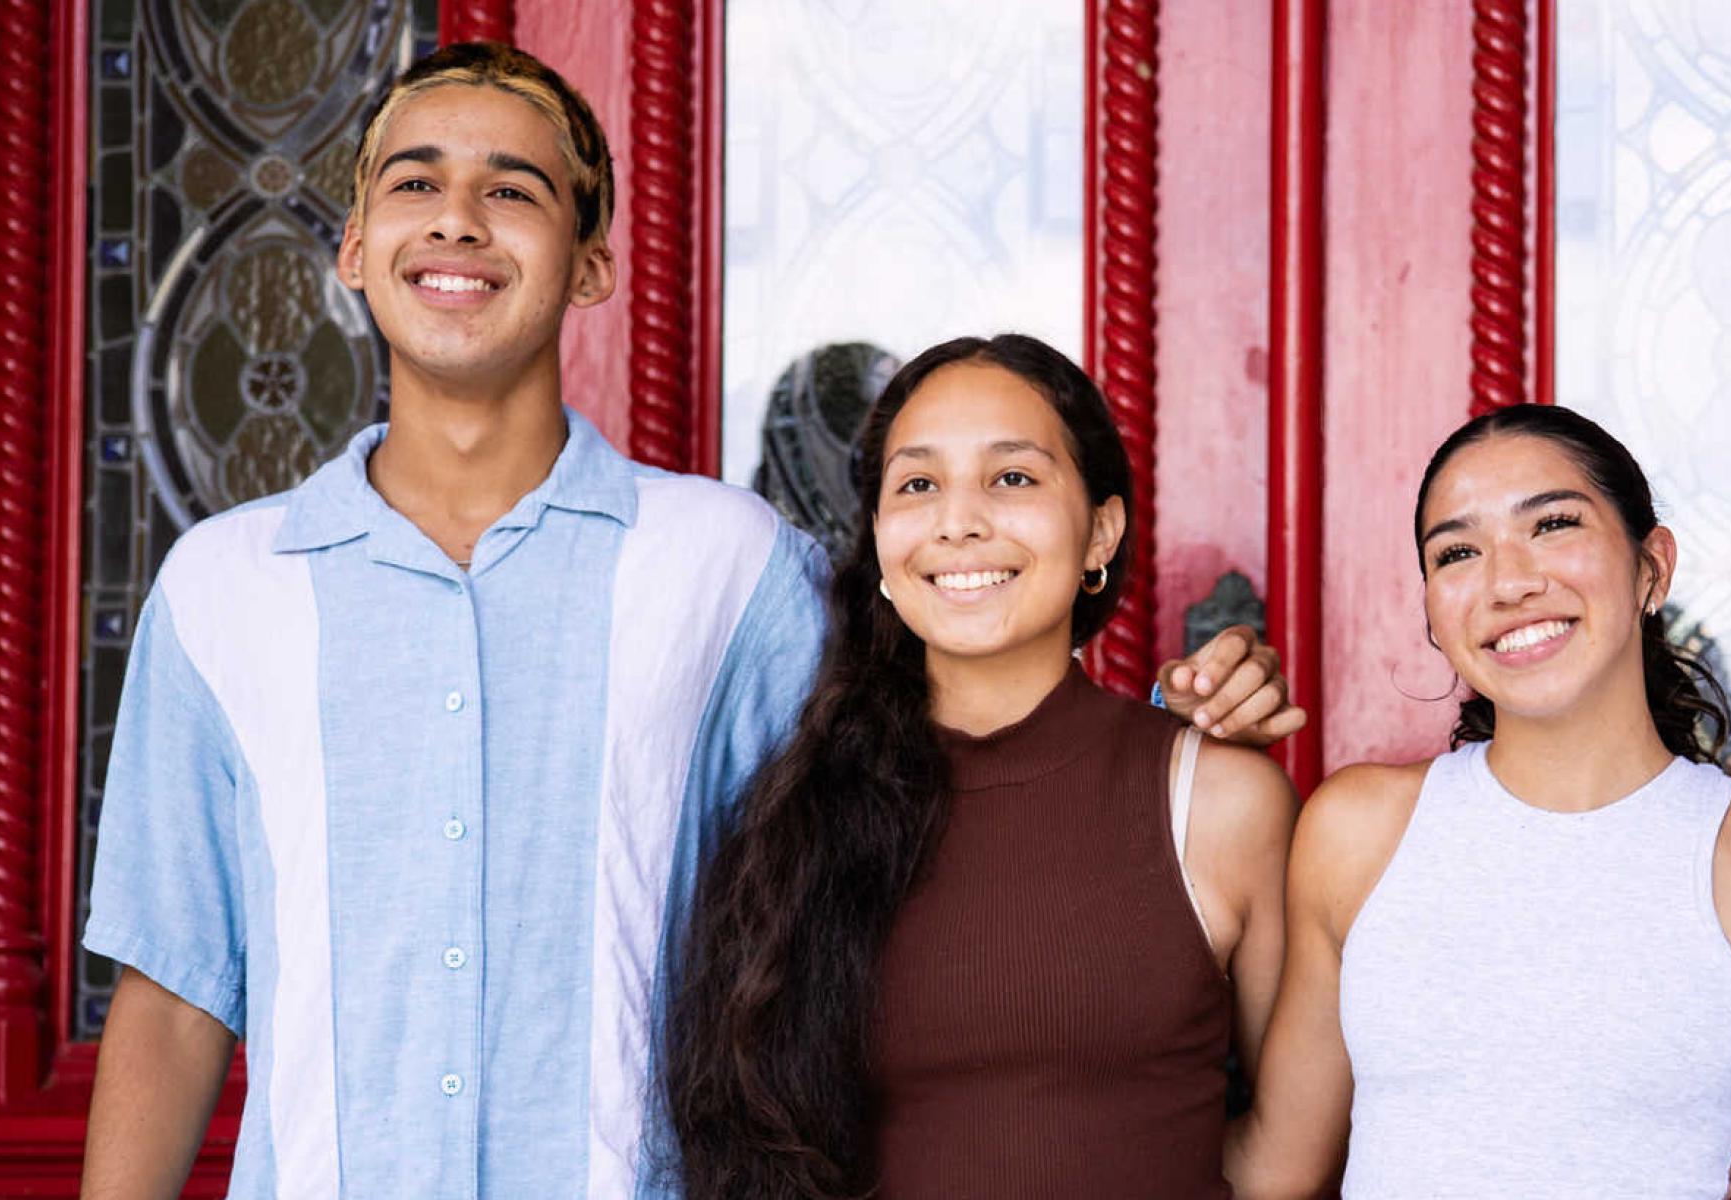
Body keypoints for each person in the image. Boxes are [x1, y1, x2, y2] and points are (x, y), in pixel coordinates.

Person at [79, 45, 1292, 1199]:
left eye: (513, 189)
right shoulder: (223, 589)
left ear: (592, 263)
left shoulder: (728, 566)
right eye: (416, 182)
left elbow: (939, 753)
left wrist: (1165, 738)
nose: (457, 218)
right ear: (352, 246)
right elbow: (175, 996)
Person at [661, 334, 1301, 1200]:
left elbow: (1285, 1160)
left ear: (1100, 531)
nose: (958, 521)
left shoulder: (1221, 803)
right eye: (918, 484)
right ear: (881, 538)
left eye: (1012, 478)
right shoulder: (793, 812)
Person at [1230, 404, 1731, 1199]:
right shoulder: (1359, 831)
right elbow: (1271, 1170)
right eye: (1457, 552)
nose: (1509, 582)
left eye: (1553, 525)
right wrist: (1169, 756)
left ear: (1651, 569)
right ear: (1430, 609)